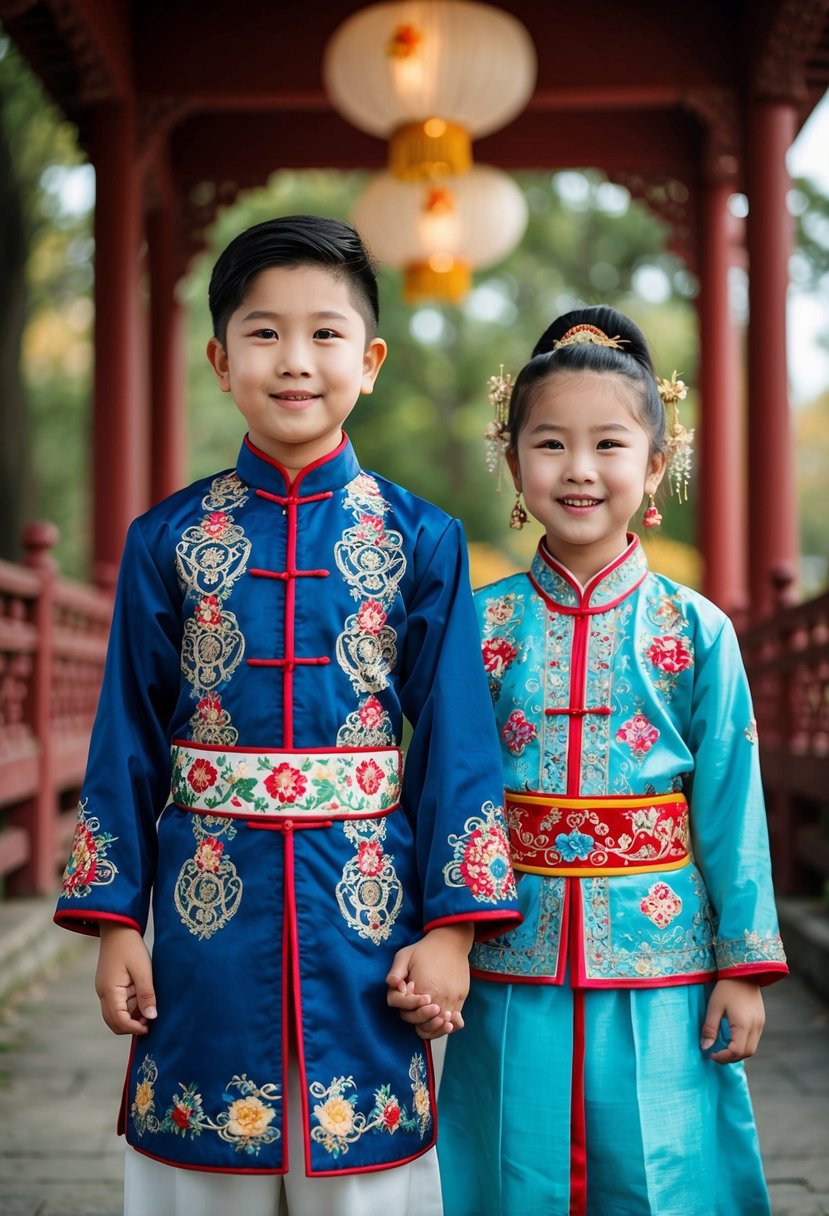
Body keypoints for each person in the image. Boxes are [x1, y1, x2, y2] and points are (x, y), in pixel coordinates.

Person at [54, 214, 520, 1216]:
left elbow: (454, 746)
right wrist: (112, 918)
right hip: (202, 915)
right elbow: (127, 737)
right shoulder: (165, 539)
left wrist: (452, 931)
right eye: (264, 333)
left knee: (363, 1181)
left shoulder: (421, 538)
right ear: (221, 361)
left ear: (371, 359)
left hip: (366, 918)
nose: (295, 360)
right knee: (201, 1172)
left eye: (325, 333)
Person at [437, 306, 788, 1216]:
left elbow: (729, 798)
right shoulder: (480, 626)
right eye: (549, 444)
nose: (580, 470)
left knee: (658, 1169)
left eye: (609, 444)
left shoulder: (694, 629)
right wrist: (435, 926)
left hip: (662, 951)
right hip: (508, 947)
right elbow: (443, 786)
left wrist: (741, 966)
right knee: (510, 1162)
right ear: (512, 463)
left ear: (656, 466)